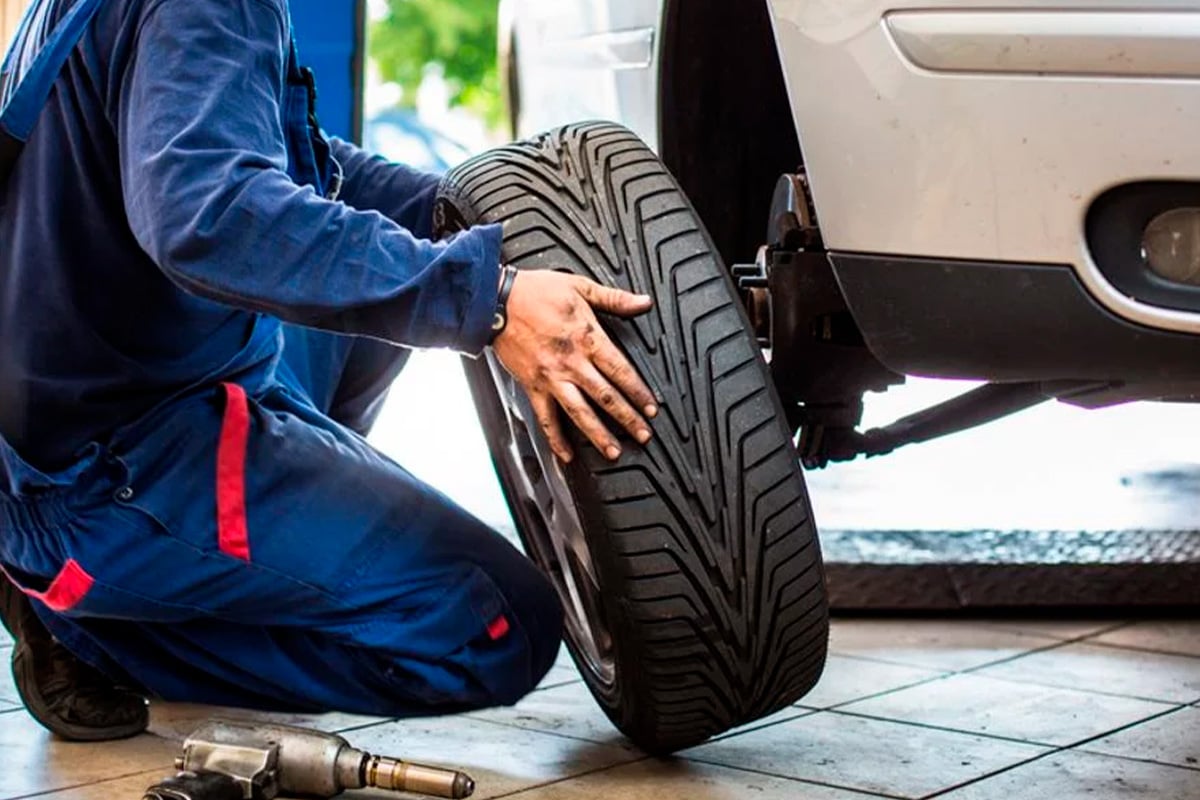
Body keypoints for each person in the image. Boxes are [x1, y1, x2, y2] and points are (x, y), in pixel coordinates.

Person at [0, 0, 657, 741]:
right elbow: (205, 216)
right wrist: (492, 302)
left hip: (90, 402)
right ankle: (91, 626)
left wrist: (456, 218)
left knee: (372, 296)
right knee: (500, 625)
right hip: (108, 472)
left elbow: (290, 165)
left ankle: (273, 551)